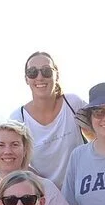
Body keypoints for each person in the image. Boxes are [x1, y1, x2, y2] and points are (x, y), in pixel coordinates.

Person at [10, 51, 87, 185]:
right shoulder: (18, 119)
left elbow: (98, 134)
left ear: (57, 75)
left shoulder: (73, 104)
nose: (40, 77)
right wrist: (47, 189)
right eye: (32, 72)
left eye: (46, 71)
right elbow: (16, 162)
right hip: (43, 193)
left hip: (82, 188)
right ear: (26, 79)